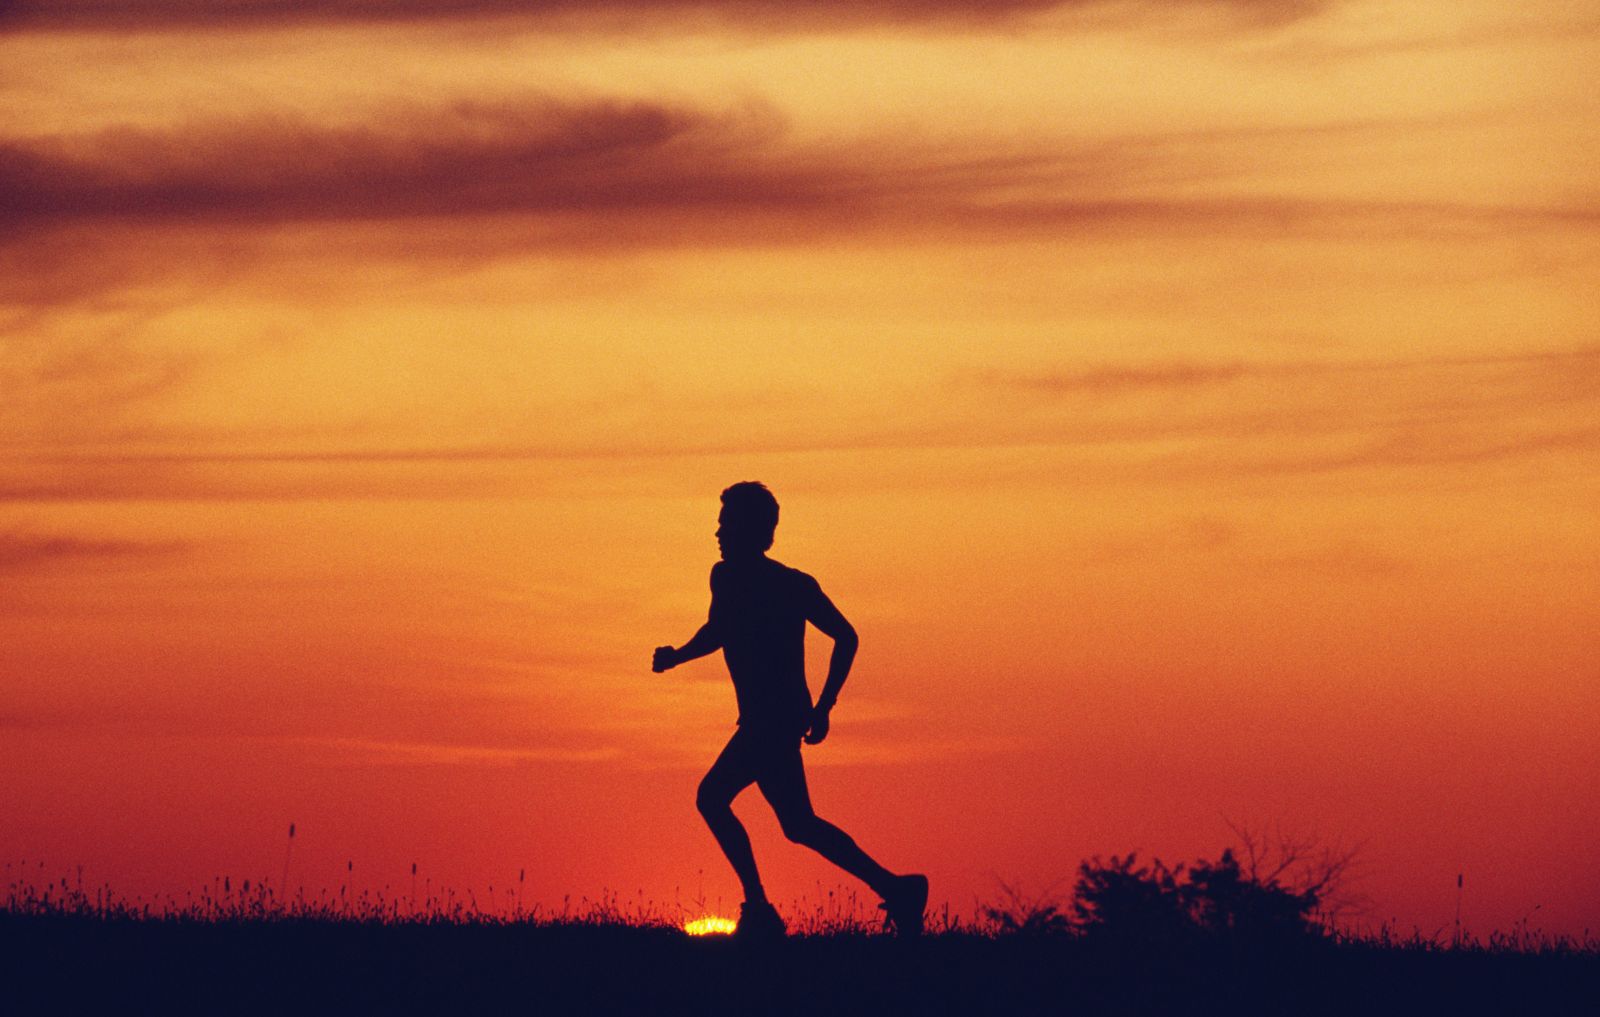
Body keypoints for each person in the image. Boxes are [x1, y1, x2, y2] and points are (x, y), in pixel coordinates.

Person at [652, 481, 928, 940]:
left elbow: (846, 636)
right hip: (766, 719)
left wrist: (825, 707)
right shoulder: (724, 576)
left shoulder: (791, 584)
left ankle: (759, 908)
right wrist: (679, 655)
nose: (717, 532)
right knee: (799, 825)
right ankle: (897, 888)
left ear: (751, 529)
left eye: (726, 523)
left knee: (713, 798)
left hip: (774, 720)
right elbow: (719, 629)